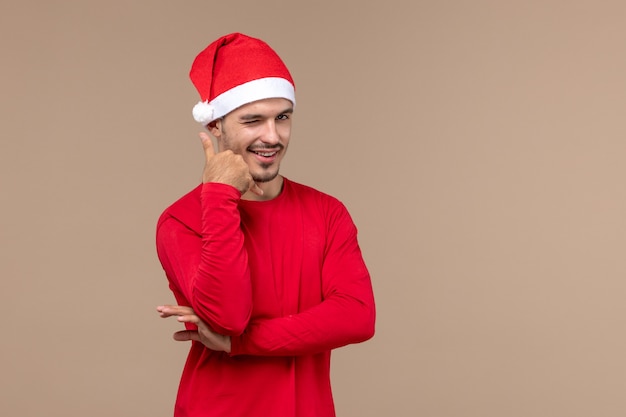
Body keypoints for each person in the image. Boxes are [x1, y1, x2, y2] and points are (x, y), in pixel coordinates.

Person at [155, 32, 376, 417]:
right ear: (216, 126)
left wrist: (241, 343)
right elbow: (228, 315)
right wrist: (220, 196)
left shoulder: (327, 212)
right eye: (253, 120)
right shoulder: (181, 221)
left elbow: (357, 316)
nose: (272, 137)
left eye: (282, 117)